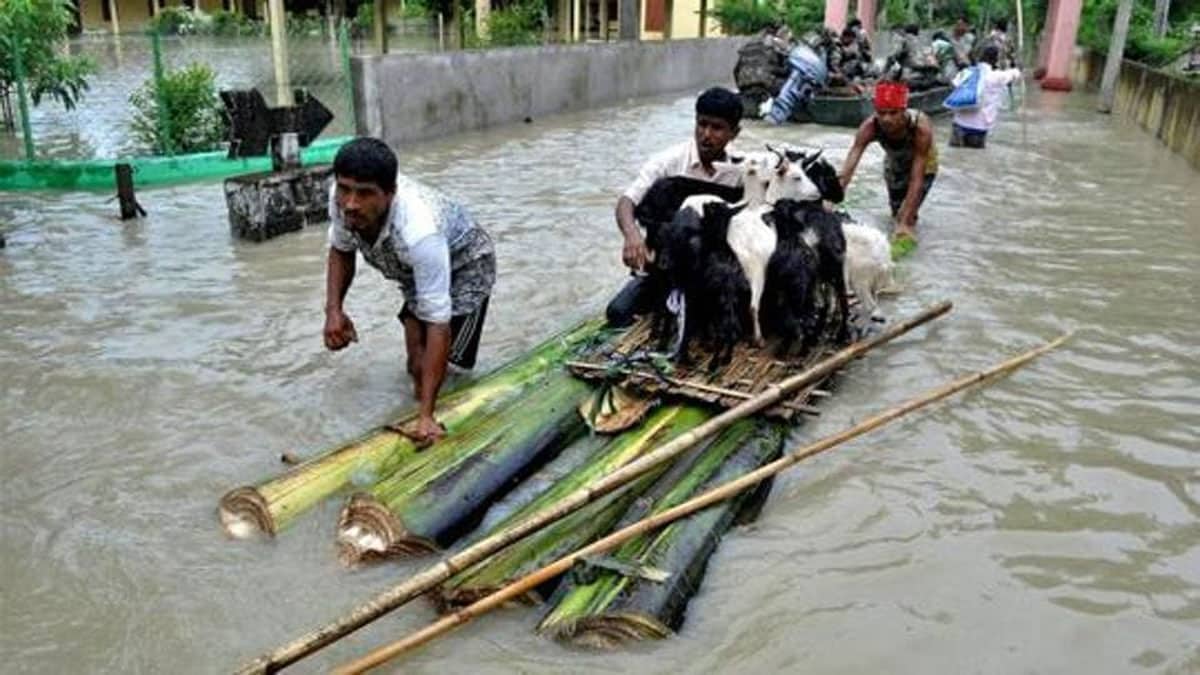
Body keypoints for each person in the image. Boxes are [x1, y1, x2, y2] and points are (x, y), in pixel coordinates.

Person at [323, 137, 497, 445]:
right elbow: (341, 249)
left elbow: (438, 325)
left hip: (466, 267)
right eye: (345, 189)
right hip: (413, 273)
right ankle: (420, 398)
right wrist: (334, 311)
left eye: (364, 194)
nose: (350, 203)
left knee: (451, 372)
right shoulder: (340, 201)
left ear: (390, 194)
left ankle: (434, 416)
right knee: (414, 369)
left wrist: (427, 416)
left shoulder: (418, 232)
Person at [607, 87, 744, 327]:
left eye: (717, 128)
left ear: (734, 133)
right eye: (702, 124)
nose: (706, 135)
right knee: (618, 313)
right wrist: (632, 235)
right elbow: (627, 202)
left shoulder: (742, 170)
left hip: (716, 273)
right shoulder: (667, 162)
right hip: (665, 269)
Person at [838, 81, 938, 257]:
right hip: (895, 162)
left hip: (924, 165)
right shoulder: (870, 126)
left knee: (906, 217)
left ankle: (909, 244)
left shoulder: (920, 129)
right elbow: (850, 164)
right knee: (895, 212)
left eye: (893, 113)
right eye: (881, 113)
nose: (887, 119)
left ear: (904, 111)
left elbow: (917, 177)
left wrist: (905, 221)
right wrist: (835, 196)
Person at [950, 45, 1022, 148]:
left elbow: (954, 85)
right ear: (995, 60)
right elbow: (1015, 74)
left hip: (958, 123)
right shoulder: (996, 76)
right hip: (979, 126)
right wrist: (1017, 67)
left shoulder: (967, 72)